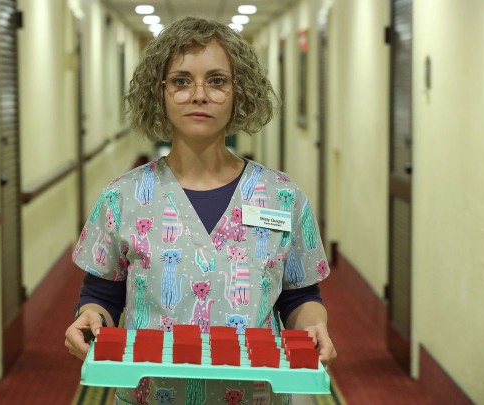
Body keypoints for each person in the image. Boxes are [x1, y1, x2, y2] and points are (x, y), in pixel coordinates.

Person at [65, 16, 336, 405]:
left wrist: (315, 328)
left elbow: (299, 295)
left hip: (256, 395)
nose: (198, 95)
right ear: (158, 93)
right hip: (150, 395)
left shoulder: (283, 197)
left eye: (217, 80)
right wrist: (91, 318)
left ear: (239, 92)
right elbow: (102, 294)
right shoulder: (122, 197)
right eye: (180, 81)